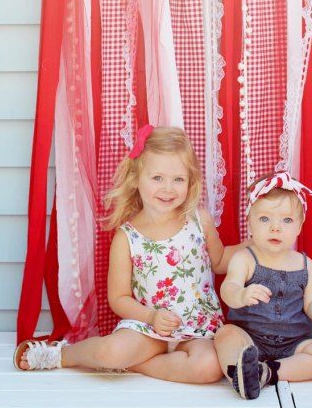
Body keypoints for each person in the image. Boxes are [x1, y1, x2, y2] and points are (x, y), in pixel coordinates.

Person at [14, 125, 249, 384]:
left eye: (178, 179)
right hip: (146, 329)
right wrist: (151, 317)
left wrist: (255, 245)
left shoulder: (199, 220)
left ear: (190, 182)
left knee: (208, 368)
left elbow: (219, 262)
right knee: (111, 351)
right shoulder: (128, 236)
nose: (168, 188)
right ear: (137, 179)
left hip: (198, 329)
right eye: (157, 178)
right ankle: (63, 355)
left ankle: (135, 367)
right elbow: (119, 298)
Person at [214, 172, 312, 400]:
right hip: (249, 338)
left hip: (294, 344)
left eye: (287, 220)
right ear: (250, 223)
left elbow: (311, 304)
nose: (275, 228)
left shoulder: (305, 263)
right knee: (225, 334)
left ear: (300, 226)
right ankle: (239, 371)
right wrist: (241, 294)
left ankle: (266, 372)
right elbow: (228, 289)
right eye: (264, 219)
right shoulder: (245, 258)